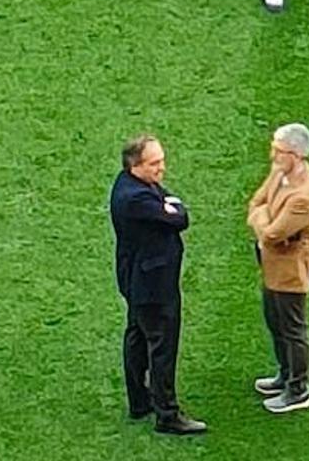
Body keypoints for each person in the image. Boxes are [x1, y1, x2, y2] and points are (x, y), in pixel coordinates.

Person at [109, 135, 207, 435]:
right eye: (155, 163)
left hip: (139, 280)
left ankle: (140, 401)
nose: (162, 169)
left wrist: (168, 204)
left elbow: (170, 203)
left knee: (137, 337)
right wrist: (170, 206)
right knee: (162, 345)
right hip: (153, 284)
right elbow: (180, 218)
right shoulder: (137, 198)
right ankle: (167, 414)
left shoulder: (133, 184)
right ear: (134, 165)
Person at [246, 123, 309, 414]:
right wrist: (263, 215)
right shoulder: (281, 173)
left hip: (291, 271)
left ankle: (298, 389)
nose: (272, 156)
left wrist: (261, 218)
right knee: (275, 322)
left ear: (296, 155)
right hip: (273, 265)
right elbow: (256, 202)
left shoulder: (305, 195)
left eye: (278, 151)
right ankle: (285, 373)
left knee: (293, 329)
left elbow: (270, 234)